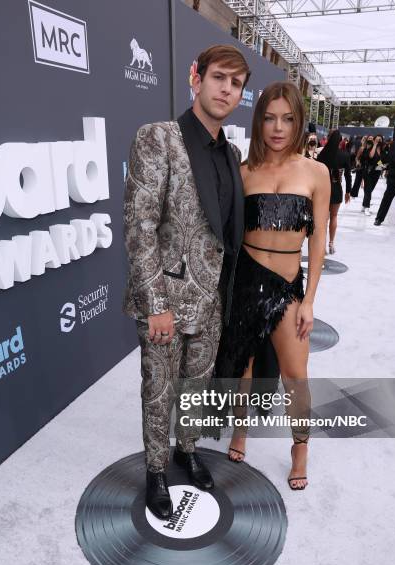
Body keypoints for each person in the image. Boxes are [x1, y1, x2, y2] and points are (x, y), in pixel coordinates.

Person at [123, 45, 250, 519]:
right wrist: (154, 301)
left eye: (235, 84)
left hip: (212, 300)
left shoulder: (231, 151)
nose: (226, 89)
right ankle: (156, 470)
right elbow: (139, 227)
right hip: (167, 301)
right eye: (219, 77)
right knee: (158, 390)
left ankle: (187, 449)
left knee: (196, 386)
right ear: (195, 77)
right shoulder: (160, 138)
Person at [214, 81, 330, 490]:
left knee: (295, 374)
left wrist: (309, 299)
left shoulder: (317, 172)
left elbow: (318, 240)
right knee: (242, 371)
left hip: (286, 286)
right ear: (259, 120)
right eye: (269, 118)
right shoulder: (244, 171)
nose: (278, 128)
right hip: (245, 281)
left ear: (298, 122)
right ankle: (240, 430)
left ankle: (300, 448)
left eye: (287, 118)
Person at [317, 130, 351, 254]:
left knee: (323, 219)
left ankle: (322, 245)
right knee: (334, 216)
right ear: (340, 140)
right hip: (337, 188)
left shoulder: (322, 154)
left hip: (322, 189)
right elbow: (348, 175)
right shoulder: (345, 155)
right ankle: (331, 243)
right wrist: (348, 192)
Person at [361, 134, 384, 216]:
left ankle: (364, 205)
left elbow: (379, 160)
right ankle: (367, 207)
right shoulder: (370, 147)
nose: (378, 141)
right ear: (374, 140)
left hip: (376, 173)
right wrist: (374, 145)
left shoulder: (381, 150)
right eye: (377, 139)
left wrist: (382, 166)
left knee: (369, 190)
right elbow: (371, 156)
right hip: (368, 172)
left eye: (380, 140)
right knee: (368, 190)